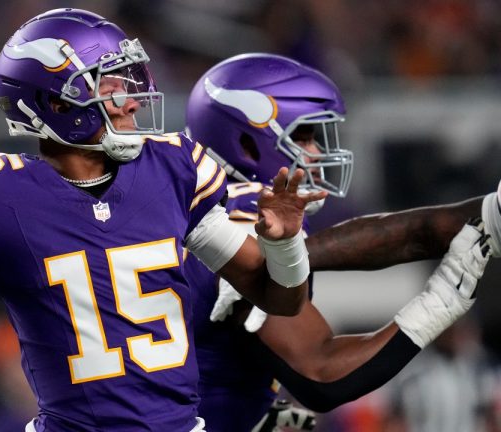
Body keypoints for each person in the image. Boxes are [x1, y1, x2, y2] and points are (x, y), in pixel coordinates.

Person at [0, 9, 326, 432]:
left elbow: (279, 298)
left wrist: (283, 246)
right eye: (111, 84)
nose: (132, 99)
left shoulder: (173, 167)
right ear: (57, 101)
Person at [183, 53, 499, 431]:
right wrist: (439, 303)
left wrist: (488, 213)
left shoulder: (198, 204)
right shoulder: (244, 218)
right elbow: (322, 373)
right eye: (303, 136)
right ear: (247, 145)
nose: (316, 153)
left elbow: (379, 240)